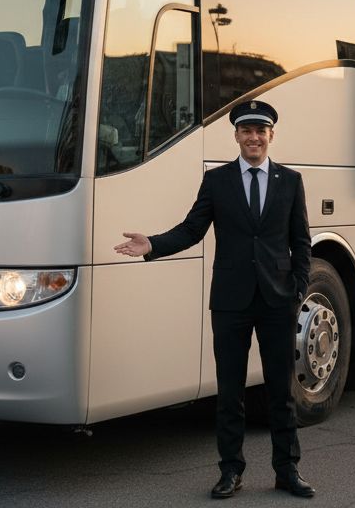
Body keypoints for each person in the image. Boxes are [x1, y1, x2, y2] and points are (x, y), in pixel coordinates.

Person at [114, 100, 315, 500]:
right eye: (246, 131)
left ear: (271, 135)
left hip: (277, 301)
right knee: (230, 391)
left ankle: (287, 469)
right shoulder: (217, 180)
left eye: (260, 131)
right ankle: (231, 470)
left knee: (281, 389)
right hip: (230, 302)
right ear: (236, 136)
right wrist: (152, 243)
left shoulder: (290, 181)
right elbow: (192, 229)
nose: (253, 137)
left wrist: (298, 288)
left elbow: (301, 241)